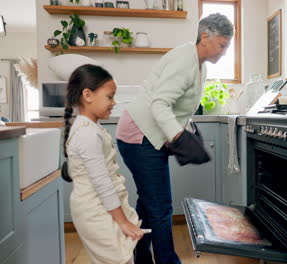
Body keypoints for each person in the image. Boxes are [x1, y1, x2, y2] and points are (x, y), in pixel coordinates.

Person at [116, 13, 234, 264]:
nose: (224, 52)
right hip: (140, 135)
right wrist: (179, 138)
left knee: (149, 204)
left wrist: (186, 131)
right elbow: (160, 103)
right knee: (161, 207)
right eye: (223, 45)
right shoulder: (185, 59)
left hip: (146, 134)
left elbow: (178, 105)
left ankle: (139, 256)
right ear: (205, 37)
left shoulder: (196, 62)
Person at [62, 64, 145, 264]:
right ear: (88, 95)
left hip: (99, 207)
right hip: (94, 209)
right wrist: (123, 222)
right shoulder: (87, 133)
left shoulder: (91, 128)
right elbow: (102, 183)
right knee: (118, 258)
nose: (114, 102)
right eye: (110, 96)